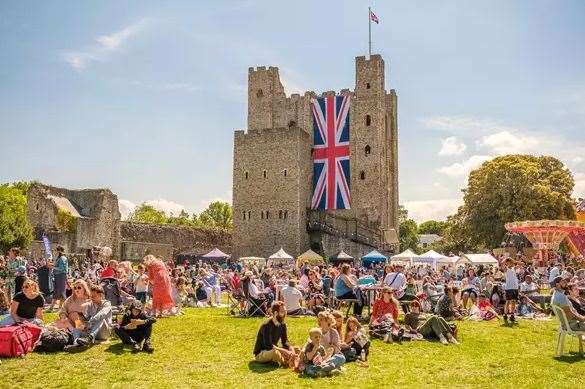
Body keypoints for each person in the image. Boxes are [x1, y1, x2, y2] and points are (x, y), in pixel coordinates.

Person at [67, 284, 113, 349]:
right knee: (77, 324)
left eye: (94, 296)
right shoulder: (90, 305)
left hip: (104, 332)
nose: (92, 298)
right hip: (91, 329)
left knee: (100, 318)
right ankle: (76, 343)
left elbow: (102, 313)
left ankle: (89, 338)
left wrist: (90, 321)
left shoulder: (107, 304)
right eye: (91, 296)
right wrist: (82, 320)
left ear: (101, 295)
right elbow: (87, 317)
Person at [252, 301, 296, 366]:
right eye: (282, 312)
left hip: (274, 349)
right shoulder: (266, 325)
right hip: (262, 352)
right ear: (275, 313)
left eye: (285, 311)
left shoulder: (282, 324)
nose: (284, 314)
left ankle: (292, 358)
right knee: (275, 352)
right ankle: (288, 362)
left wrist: (292, 350)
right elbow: (268, 346)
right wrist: (284, 351)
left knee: (296, 348)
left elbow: (285, 341)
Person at [50, 246, 69, 311]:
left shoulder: (62, 258)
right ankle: (53, 307)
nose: (55, 252)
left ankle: (60, 308)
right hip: (58, 276)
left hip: (61, 276)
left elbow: (62, 269)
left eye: (56, 250)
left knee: (61, 292)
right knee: (57, 291)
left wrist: (52, 267)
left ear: (59, 251)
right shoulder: (59, 258)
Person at [503, 259, 519, 324]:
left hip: (515, 287)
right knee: (508, 301)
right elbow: (501, 264)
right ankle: (505, 314)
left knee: (513, 301)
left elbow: (522, 264)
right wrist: (506, 259)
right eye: (509, 263)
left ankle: (512, 315)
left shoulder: (514, 268)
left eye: (511, 263)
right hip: (509, 288)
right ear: (507, 263)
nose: (511, 264)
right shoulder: (506, 269)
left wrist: (514, 261)